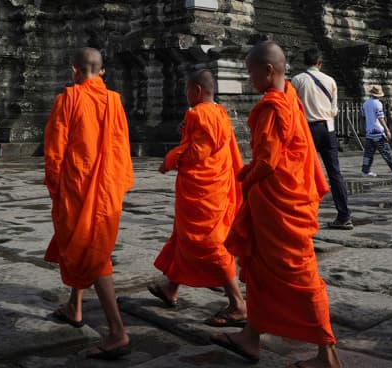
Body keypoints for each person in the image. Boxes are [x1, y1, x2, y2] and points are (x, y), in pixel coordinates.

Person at [215, 40, 342, 368]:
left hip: (279, 202)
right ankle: (250, 338)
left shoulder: (273, 105)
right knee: (259, 268)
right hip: (284, 196)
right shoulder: (290, 97)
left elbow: (268, 161)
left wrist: (244, 176)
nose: (248, 80)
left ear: (267, 70)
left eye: (250, 73)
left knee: (298, 273)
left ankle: (327, 353)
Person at [44, 47, 135, 359]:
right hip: (108, 189)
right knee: (84, 244)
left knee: (92, 254)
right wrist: (120, 184)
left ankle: (117, 330)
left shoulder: (67, 100)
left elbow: (54, 153)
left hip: (78, 188)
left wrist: (56, 189)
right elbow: (123, 147)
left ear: (74, 71)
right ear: (103, 72)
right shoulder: (114, 101)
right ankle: (74, 305)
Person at [148, 69, 248, 327]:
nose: (185, 95)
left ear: (197, 91)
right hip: (216, 187)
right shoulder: (220, 113)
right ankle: (171, 289)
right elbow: (211, 144)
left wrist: (171, 158)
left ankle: (238, 303)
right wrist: (187, 133)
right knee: (185, 237)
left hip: (205, 193)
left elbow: (197, 153)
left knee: (209, 244)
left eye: (186, 90)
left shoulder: (198, 113)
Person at [291, 48, 351, 230]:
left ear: (305, 62)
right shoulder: (330, 80)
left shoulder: (298, 80)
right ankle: (344, 215)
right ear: (320, 63)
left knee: (304, 172)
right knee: (335, 172)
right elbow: (334, 110)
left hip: (308, 128)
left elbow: (292, 106)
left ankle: (303, 214)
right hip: (328, 127)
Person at [360, 84, 392, 178]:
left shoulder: (365, 104)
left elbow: (362, 117)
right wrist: (387, 130)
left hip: (369, 132)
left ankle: (365, 171)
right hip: (378, 132)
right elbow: (381, 118)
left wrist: (363, 129)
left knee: (368, 153)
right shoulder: (378, 104)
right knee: (387, 152)